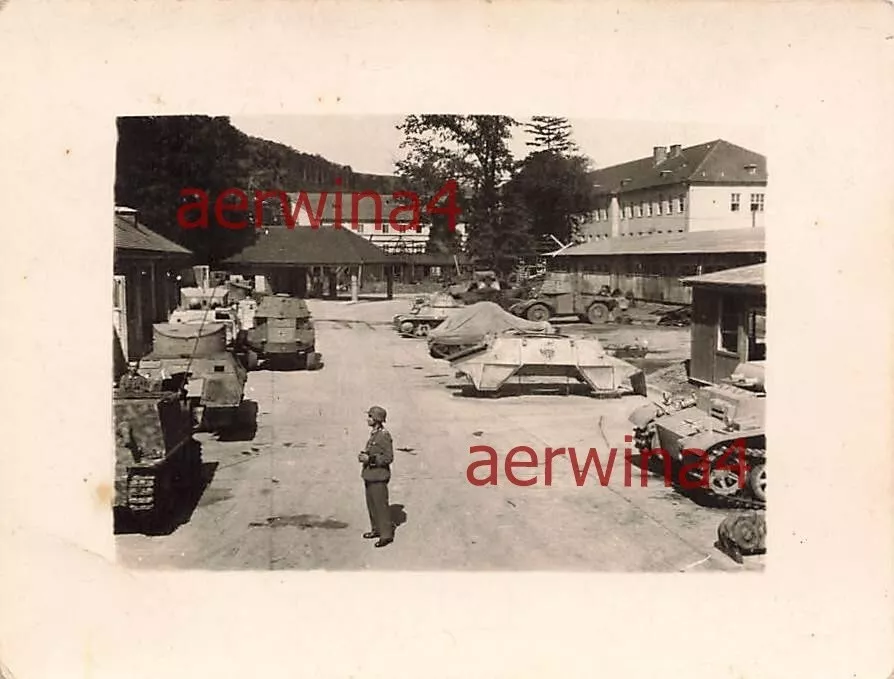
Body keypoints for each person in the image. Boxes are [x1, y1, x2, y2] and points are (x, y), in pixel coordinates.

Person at [358, 405, 394, 548]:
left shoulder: (384, 436)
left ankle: (386, 535)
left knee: (381, 506)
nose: (368, 419)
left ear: (377, 419)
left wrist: (370, 459)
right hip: (370, 475)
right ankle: (376, 529)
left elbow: (388, 457)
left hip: (379, 476)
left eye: (370, 417)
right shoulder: (375, 433)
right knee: (372, 505)